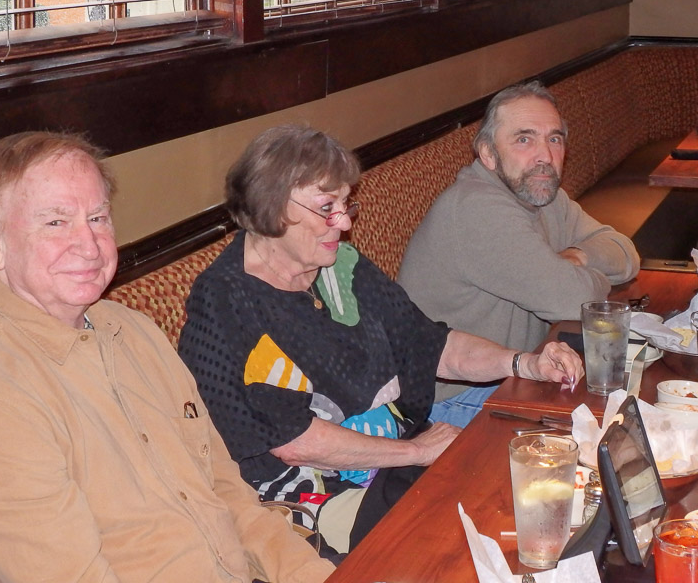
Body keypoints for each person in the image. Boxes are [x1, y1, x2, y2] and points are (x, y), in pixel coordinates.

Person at [0, 131, 335, 583]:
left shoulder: (131, 332)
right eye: (55, 222)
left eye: (97, 217)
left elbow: (229, 496)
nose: (89, 245)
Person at [177, 123, 583, 555]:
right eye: (327, 207)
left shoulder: (338, 268)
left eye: (346, 204)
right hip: (311, 495)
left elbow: (429, 345)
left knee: (541, 490)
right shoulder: (227, 303)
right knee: (471, 538)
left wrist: (524, 363)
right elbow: (293, 442)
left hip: (393, 459)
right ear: (273, 207)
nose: (346, 221)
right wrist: (414, 452)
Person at [398, 82, 640, 427]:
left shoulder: (544, 195)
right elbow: (576, 299)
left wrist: (576, 257)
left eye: (554, 139)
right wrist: (582, 278)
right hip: (453, 400)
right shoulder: (477, 208)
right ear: (488, 154)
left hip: (521, 373)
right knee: (620, 424)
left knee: (632, 398)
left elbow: (626, 253)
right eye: (524, 139)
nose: (544, 156)